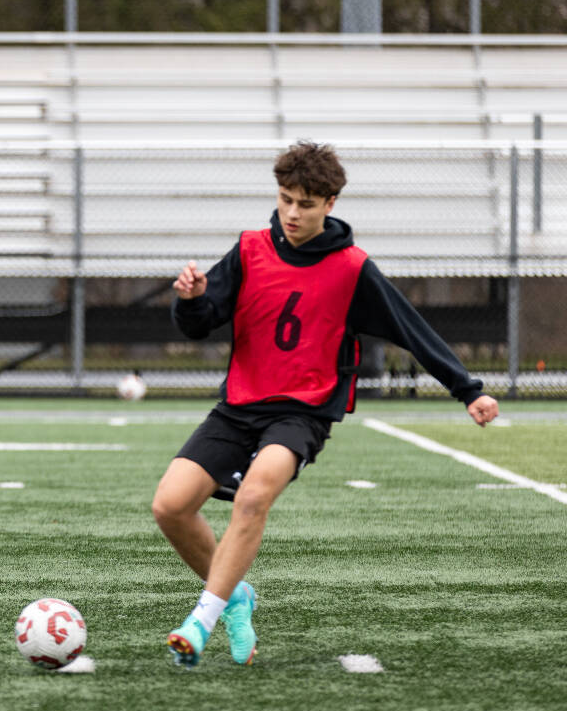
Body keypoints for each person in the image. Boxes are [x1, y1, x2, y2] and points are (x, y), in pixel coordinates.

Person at [154, 141, 499, 666]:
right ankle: (236, 594)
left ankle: (201, 621)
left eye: (306, 204)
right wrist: (192, 300)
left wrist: (467, 389)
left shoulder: (352, 268)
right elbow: (200, 326)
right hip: (239, 405)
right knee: (170, 506)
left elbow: (413, 330)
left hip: (302, 413)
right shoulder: (249, 249)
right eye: (286, 199)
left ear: (331, 204)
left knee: (252, 498)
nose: (293, 213)